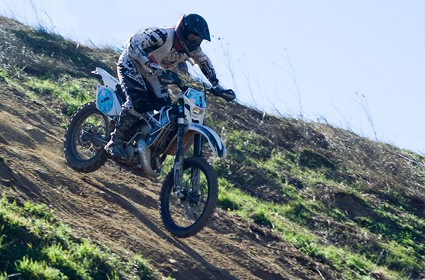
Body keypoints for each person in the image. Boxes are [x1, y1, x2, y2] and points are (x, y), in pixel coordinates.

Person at [105, 13, 236, 160]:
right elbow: (132, 44)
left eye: (198, 40)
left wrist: (216, 85)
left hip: (152, 74)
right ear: (183, 31)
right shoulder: (163, 35)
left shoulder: (192, 50)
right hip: (131, 63)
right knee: (138, 102)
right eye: (193, 37)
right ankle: (115, 141)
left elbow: (204, 62)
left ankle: (142, 143)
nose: (195, 42)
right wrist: (152, 66)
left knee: (165, 108)